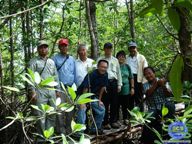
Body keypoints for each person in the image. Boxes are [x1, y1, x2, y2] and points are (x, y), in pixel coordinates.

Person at [28, 40, 60, 142]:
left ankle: (49, 137)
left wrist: (57, 90)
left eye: (45, 47)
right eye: (41, 47)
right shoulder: (33, 62)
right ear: (38, 49)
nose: (43, 49)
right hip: (40, 91)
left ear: (48, 49)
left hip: (51, 91)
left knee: (52, 114)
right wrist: (32, 91)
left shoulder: (51, 62)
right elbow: (30, 78)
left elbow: (55, 76)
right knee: (40, 116)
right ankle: (42, 139)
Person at [141, 66, 175, 144]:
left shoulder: (162, 81)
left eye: (150, 73)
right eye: (146, 74)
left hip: (165, 104)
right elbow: (148, 93)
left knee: (170, 106)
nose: (148, 75)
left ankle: (169, 135)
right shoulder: (145, 85)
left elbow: (169, 94)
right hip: (153, 108)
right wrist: (157, 84)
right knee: (147, 120)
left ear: (154, 73)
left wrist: (163, 85)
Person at [77, 59, 108, 134]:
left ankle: (95, 129)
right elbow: (85, 88)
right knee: (82, 111)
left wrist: (99, 100)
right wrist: (82, 102)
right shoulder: (91, 74)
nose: (103, 69)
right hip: (82, 95)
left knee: (101, 109)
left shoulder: (105, 74)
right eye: (102, 67)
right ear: (97, 66)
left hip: (93, 96)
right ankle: (79, 132)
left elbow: (102, 88)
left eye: (105, 67)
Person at [52, 38, 76, 134]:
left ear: (68, 46)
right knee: (59, 110)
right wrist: (56, 89)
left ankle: (69, 131)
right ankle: (60, 131)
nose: (64, 47)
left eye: (65, 45)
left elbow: (74, 73)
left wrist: (75, 88)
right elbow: (53, 74)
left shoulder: (71, 59)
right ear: (59, 47)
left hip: (70, 88)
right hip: (60, 88)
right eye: (62, 45)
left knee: (70, 110)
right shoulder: (54, 58)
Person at [98, 42, 122, 129]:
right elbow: (97, 72)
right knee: (105, 102)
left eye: (110, 48)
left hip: (114, 82)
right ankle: (105, 122)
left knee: (114, 102)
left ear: (111, 49)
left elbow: (119, 72)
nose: (108, 50)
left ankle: (113, 121)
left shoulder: (115, 60)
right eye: (107, 48)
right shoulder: (100, 59)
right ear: (104, 49)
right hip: (105, 82)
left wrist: (119, 84)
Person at [126, 41, 148, 111]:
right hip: (128, 79)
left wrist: (144, 81)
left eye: (133, 48)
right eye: (130, 48)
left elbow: (145, 69)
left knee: (139, 98)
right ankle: (131, 115)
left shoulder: (141, 57)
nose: (132, 49)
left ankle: (141, 115)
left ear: (136, 48)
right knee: (130, 98)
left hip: (138, 79)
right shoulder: (126, 58)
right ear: (128, 49)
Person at [116, 50, 134, 125]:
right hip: (116, 88)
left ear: (125, 58)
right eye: (119, 56)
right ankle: (116, 120)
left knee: (125, 104)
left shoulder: (127, 66)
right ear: (117, 58)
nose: (121, 58)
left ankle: (125, 118)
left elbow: (131, 77)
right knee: (116, 104)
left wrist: (132, 88)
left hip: (126, 88)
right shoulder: (115, 66)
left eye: (123, 56)